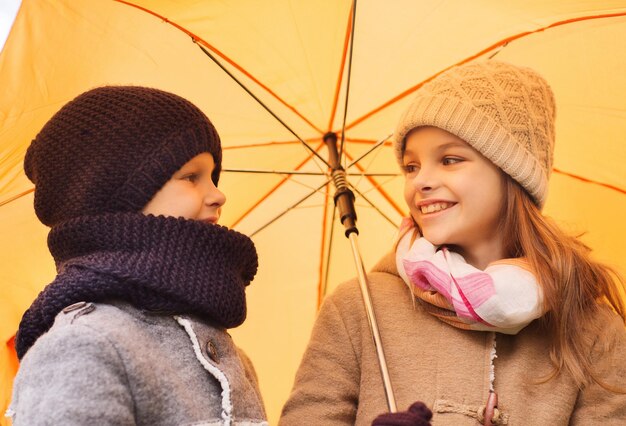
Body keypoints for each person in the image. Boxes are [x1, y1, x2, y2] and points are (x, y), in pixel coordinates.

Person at [279, 61, 626, 425]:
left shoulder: (592, 332)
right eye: (411, 167)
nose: (421, 182)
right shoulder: (358, 310)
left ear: (512, 174)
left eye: (449, 160)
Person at [6, 86, 268, 425]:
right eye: (192, 177)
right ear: (114, 199)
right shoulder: (84, 346)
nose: (218, 195)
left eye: (212, 177)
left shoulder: (229, 355)